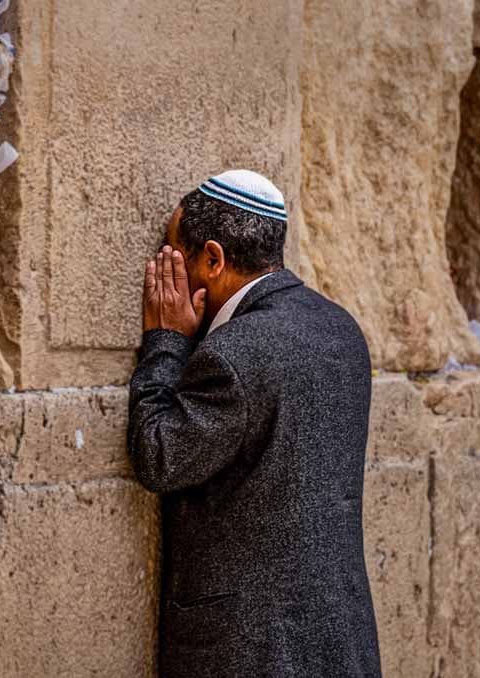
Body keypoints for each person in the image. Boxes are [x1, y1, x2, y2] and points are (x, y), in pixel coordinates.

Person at [127, 170, 382, 677]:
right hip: (336, 640)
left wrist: (166, 342)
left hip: (249, 653)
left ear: (214, 259)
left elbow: (159, 456)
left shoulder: (233, 353)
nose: (172, 273)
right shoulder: (341, 329)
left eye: (176, 255)